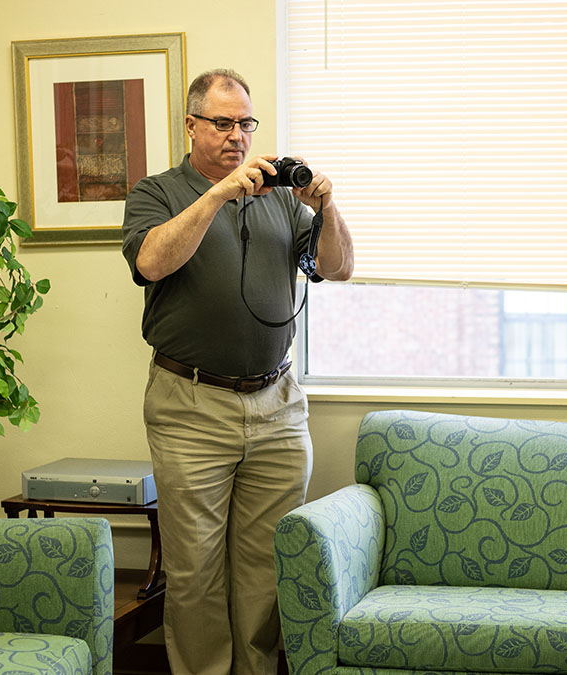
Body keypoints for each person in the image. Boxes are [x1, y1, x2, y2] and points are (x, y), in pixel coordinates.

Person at [120, 69, 353, 675]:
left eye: (246, 123)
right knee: (195, 569)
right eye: (222, 123)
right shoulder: (157, 192)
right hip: (190, 405)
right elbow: (151, 261)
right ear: (191, 125)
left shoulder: (280, 196)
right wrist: (219, 194)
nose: (237, 136)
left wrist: (325, 206)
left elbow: (339, 266)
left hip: (276, 403)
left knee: (264, 571)